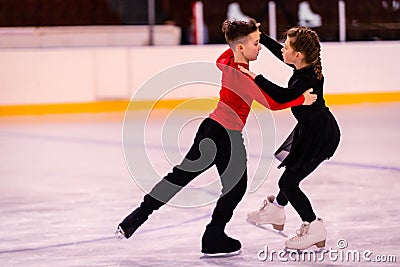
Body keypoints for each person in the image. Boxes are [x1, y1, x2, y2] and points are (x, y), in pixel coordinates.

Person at [116, 19, 316, 256]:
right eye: (255, 42)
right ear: (240, 48)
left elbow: (224, 55)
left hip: (209, 129)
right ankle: (213, 236)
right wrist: (301, 99)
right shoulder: (244, 76)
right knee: (236, 188)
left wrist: (238, 37)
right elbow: (273, 102)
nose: (260, 46)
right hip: (227, 136)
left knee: (179, 177)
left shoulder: (227, 62)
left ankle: (135, 218)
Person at [239, 26, 341, 250]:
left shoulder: (305, 80)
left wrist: (255, 77)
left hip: (320, 136)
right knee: (291, 174)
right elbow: (281, 53)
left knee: (288, 182)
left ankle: (314, 226)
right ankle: (276, 210)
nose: (282, 49)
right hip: (311, 131)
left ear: (298, 55)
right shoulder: (306, 65)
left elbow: (282, 96)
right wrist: (262, 37)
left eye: (287, 46)